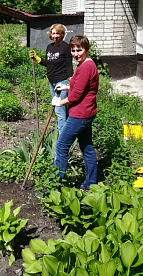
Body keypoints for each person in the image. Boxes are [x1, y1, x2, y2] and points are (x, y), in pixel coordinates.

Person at [51, 35, 99, 191]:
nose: (76, 53)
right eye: (73, 50)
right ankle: (90, 184)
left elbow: (76, 96)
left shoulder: (85, 67)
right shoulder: (87, 64)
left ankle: (55, 185)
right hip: (87, 112)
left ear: (86, 49)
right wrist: (67, 87)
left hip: (80, 114)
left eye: (79, 50)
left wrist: (59, 102)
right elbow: (82, 87)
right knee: (87, 148)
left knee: (61, 146)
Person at [29, 24, 73, 135]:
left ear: (62, 34)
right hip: (51, 82)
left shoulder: (65, 47)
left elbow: (68, 65)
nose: (55, 36)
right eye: (53, 33)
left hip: (61, 82)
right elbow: (49, 64)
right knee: (62, 108)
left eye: (58, 33)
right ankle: (68, 131)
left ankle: (62, 138)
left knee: (59, 109)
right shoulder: (50, 47)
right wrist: (37, 58)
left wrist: (71, 79)